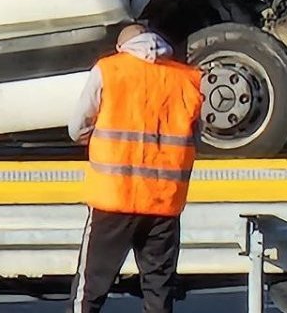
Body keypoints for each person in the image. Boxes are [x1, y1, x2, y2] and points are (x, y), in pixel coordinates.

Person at [67, 24, 204, 313]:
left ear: (122, 48)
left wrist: (94, 140)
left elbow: (77, 127)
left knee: (90, 288)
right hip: (163, 201)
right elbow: (195, 137)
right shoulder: (187, 78)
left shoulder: (109, 69)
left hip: (114, 199)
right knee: (158, 291)